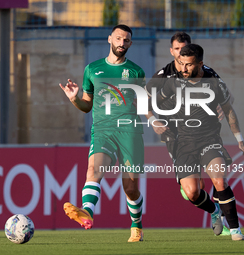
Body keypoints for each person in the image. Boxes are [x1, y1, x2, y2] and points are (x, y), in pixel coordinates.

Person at [59, 24, 165, 242]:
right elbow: (87, 106)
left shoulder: (136, 71)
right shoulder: (92, 69)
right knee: (93, 170)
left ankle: (136, 225)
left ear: (130, 44)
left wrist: (153, 120)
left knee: (130, 187)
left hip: (130, 132)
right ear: (109, 39)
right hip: (102, 130)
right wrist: (74, 99)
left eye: (126, 40)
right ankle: (87, 212)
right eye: (118, 38)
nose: (122, 43)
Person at [152, 43, 244, 241]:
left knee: (219, 179)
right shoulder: (172, 83)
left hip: (209, 138)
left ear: (200, 63)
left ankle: (236, 229)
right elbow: (151, 101)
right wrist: (154, 119)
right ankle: (214, 210)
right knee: (192, 193)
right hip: (183, 142)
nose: (183, 69)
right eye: (181, 64)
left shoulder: (213, 81)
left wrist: (239, 138)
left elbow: (229, 109)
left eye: (188, 65)